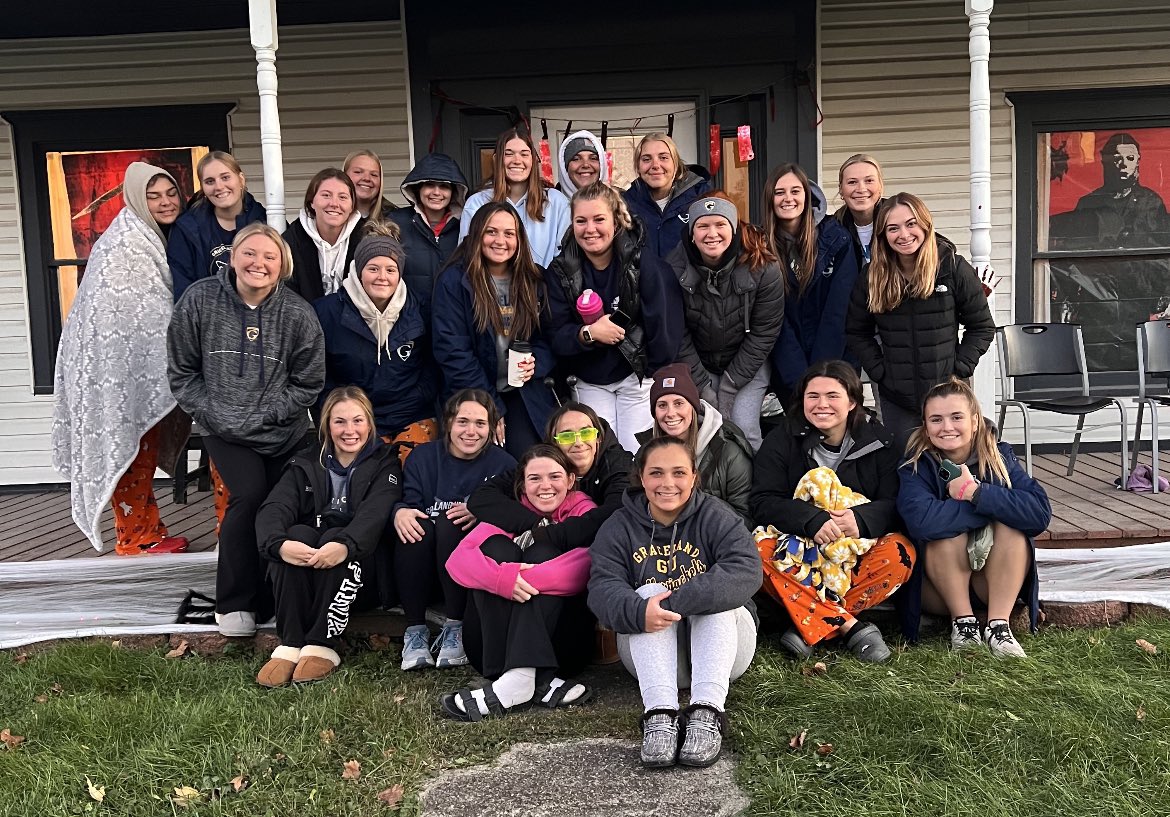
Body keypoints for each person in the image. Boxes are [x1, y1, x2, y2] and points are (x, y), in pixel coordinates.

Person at [168, 222, 325, 637]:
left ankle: (272, 595)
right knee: (250, 495)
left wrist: (273, 413)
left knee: (282, 505)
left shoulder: (297, 313)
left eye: (270, 256)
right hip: (224, 428)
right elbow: (182, 373)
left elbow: (309, 381)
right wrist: (214, 413)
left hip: (282, 431)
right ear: (233, 257)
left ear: (282, 265)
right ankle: (234, 601)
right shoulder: (199, 300)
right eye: (250, 253)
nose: (259, 263)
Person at [588, 436, 759, 768]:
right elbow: (601, 587)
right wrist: (641, 611)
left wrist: (678, 602)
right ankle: (659, 714)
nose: (668, 483)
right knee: (647, 593)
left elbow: (746, 571)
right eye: (656, 473)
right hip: (652, 661)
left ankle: (707, 712)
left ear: (695, 476)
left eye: (679, 473)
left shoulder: (716, 516)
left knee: (714, 593)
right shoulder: (619, 526)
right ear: (641, 477)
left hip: (722, 655)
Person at [52, 162, 191, 555]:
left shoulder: (150, 234)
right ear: (135, 198)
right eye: (153, 196)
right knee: (130, 446)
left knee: (140, 448)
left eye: (170, 194)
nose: (165, 202)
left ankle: (148, 529)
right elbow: (133, 307)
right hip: (116, 366)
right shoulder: (125, 242)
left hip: (134, 364)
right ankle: (136, 538)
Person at [750, 360, 914, 662]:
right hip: (799, 548)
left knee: (901, 553)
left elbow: (896, 504)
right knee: (757, 552)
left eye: (832, 396)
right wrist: (810, 520)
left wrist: (861, 519)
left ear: (852, 401)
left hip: (855, 551)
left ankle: (810, 622)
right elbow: (762, 500)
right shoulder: (782, 440)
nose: (821, 404)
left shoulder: (880, 441)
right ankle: (849, 627)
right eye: (813, 396)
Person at [254, 387, 401, 686]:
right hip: (309, 572)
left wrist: (344, 545)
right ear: (326, 426)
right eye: (340, 422)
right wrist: (280, 545)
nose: (350, 431)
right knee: (295, 535)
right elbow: (274, 507)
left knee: (335, 533)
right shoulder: (306, 461)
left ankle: (322, 643)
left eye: (358, 421)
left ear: (370, 424)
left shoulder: (385, 461)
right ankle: (291, 643)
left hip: (360, 574)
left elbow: (375, 515)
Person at [440, 444, 597, 720]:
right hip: (490, 650)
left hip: (563, 649)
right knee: (497, 549)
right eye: (534, 478)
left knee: (543, 552)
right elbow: (458, 561)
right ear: (522, 486)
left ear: (571, 480)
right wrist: (501, 579)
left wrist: (516, 579)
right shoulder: (509, 512)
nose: (545, 486)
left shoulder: (584, 512)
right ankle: (532, 681)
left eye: (554, 476)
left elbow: (585, 566)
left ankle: (519, 678)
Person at [897, 378, 1051, 658]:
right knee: (946, 534)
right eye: (936, 419)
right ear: (926, 426)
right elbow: (922, 522)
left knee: (1012, 529)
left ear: (976, 421)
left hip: (991, 584)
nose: (947, 427)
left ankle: (998, 627)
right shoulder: (915, 466)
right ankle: (963, 624)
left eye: (957, 417)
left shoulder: (1000, 457)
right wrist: (989, 510)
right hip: (939, 589)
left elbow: (1039, 514)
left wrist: (976, 493)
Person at [845, 192, 995, 446]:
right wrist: (881, 372)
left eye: (911, 224)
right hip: (896, 397)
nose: (903, 235)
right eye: (893, 228)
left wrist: (959, 368)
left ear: (925, 224)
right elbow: (857, 331)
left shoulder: (952, 268)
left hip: (948, 393)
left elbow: (981, 326)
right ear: (882, 235)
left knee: (951, 464)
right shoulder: (872, 276)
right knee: (905, 466)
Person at [545, 182, 684, 453]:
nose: (590, 229)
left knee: (637, 452)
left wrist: (652, 377)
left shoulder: (645, 264)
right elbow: (554, 333)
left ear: (617, 221)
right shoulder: (560, 271)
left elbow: (665, 328)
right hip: (588, 378)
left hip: (637, 377)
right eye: (581, 221)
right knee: (598, 453)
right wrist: (588, 334)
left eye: (599, 219)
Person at [392, 390, 516, 672]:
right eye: (463, 422)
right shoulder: (422, 457)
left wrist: (481, 509)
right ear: (448, 423)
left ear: (491, 427)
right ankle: (415, 630)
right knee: (412, 525)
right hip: (421, 565)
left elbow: (511, 514)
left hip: (467, 574)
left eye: (480, 424)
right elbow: (410, 502)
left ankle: (455, 627)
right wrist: (399, 512)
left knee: (451, 522)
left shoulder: (504, 465)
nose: (471, 431)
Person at [433, 202, 558, 459]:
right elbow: (453, 351)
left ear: (519, 239)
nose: (500, 240)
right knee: (486, 458)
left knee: (529, 459)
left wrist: (538, 363)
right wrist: (489, 406)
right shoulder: (455, 281)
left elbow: (551, 337)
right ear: (477, 234)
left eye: (509, 233)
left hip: (523, 390)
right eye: (491, 232)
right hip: (473, 389)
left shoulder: (534, 280)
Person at [671, 193, 784, 451]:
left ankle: (755, 491)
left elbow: (764, 332)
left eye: (720, 225)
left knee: (745, 431)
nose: (712, 234)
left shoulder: (763, 267)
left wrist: (731, 384)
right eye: (702, 226)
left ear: (733, 229)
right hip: (698, 363)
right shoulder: (673, 268)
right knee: (702, 432)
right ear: (691, 233)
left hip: (746, 363)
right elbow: (677, 334)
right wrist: (703, 386)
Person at [313, 224, 438, 454]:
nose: (382, 277)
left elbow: (433, 366)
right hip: (355, 419)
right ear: (359, 270)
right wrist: (343, 411)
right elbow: (319, 375)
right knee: (367, 478)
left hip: (411, 413)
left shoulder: (419, 308)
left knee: (418, 471)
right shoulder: (327, 312)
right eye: (373, 269)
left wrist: (415, 401)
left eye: (390, 270)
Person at [468, 401, 633, 561]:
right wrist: (536, 523)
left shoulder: (618, 465)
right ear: (554, 443)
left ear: (598, 438)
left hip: (599, 551)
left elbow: (615, 513)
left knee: (540, 553)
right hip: (546, 539)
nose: (578, 442)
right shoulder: (545, 462)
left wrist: (545, 534)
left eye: (586, 433)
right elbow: (482, 496)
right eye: (567, 436)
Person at [764, 163, 859, 404]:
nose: (788, 198)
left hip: (836, 363)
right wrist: (798, 377)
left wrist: (820, 375)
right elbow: (773, 318)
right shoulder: (761, 247)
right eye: (780, 192)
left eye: (795, 191)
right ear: (770, 199)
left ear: (808, 196)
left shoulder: (836, 239)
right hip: (788, 369)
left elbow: (838, 310)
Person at [640, 363, 753, 525]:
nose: (671, 413)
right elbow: (636, 507)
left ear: (693, 407)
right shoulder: (646, 452)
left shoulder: (729, 452)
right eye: (662, 405)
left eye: (679, 403)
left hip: (713, 540)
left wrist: (689, 504)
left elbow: (744, 519)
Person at [459, 129, 570, 267]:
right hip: (490, 286)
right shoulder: (476, 203)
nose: (517, 160)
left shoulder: (556, 202)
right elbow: (468, 256)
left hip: (545, 285)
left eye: (524, 154)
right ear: (496, 159)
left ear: (534, 160)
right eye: (508, 154)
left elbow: (566, 257)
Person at [168, 151, 266, 300]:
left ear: (241, 179)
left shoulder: (265, 221)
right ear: (202, 187)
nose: (219, 186)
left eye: (225, 177)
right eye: (209, 181)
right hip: (206, 319)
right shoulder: (186, 229)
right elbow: (183, 290)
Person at [386, 152, 470, 306]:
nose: (436, 192)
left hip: (452, 319)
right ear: (418, 188)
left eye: (444, 186)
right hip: (408, 320)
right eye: (430, 184)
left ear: (454, 192)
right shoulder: (395, 223)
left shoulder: (465, 226)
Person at [622, 133, 712, 260]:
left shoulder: (702, 197)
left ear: (676, 163)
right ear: (638, 167)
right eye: (646, 159)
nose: (655, 165)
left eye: (663, 158)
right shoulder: (626, 205)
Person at [283, 168, 367, 302]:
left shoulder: (367, 239)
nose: (334, 203)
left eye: (343, 197)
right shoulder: (291, 241)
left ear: (352, 206)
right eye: (326, 195)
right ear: (312, 202)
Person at [833, 153, 886, 272]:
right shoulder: (832, 230)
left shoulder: (900, 219)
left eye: (869, 181)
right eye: (852, 182)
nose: (861, 189)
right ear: (841, 189)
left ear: (880, 186)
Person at [343, 149, 394, 223]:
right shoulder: (331, 215)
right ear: (344, 176)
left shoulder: (394, 218)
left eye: (374, 174)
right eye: (358, 172)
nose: (367, 178)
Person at [556, 130, 609, 195]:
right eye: (576, 159)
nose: (586, 165)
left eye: (593, 158)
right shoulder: (548, 203)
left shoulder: (620, 202)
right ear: (564, 167)